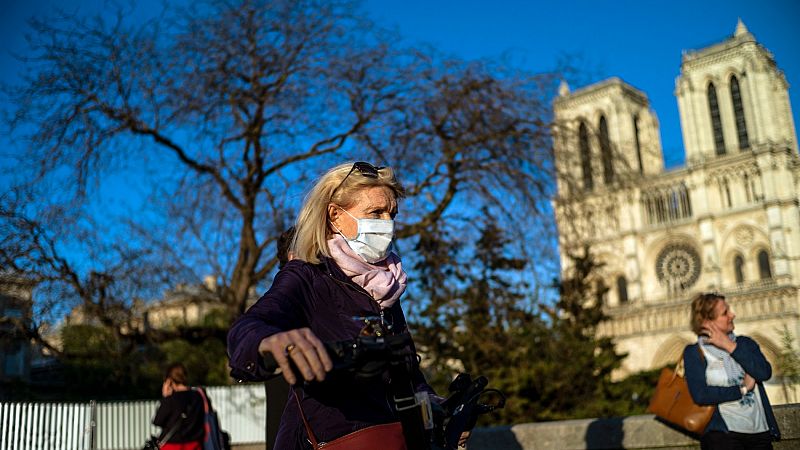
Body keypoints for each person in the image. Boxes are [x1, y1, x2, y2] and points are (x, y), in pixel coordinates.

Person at [227, 161, 468, 449]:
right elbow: (246, 328)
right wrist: (269, 341)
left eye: (392, 214)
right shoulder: (307, 275)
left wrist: (438, 407)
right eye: (375, 212)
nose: (387, 224)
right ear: (335, 216)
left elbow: (407, 372)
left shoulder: (386, 286)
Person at [683, 292, 781, 449]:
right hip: (723, 436)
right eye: (725, 313)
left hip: (760, 432)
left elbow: (764, 373)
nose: (732, 314)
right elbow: (701, 394)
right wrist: (742, 389)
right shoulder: (695, 352)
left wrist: (729, 345)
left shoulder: (745, 344)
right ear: (708, 322)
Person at [152, 363, 205, 450]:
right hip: (195, 443)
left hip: (173, 445)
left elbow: (158, 421)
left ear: (169, 380)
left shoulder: (171, 399)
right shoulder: (198, 396)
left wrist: (165, 397)